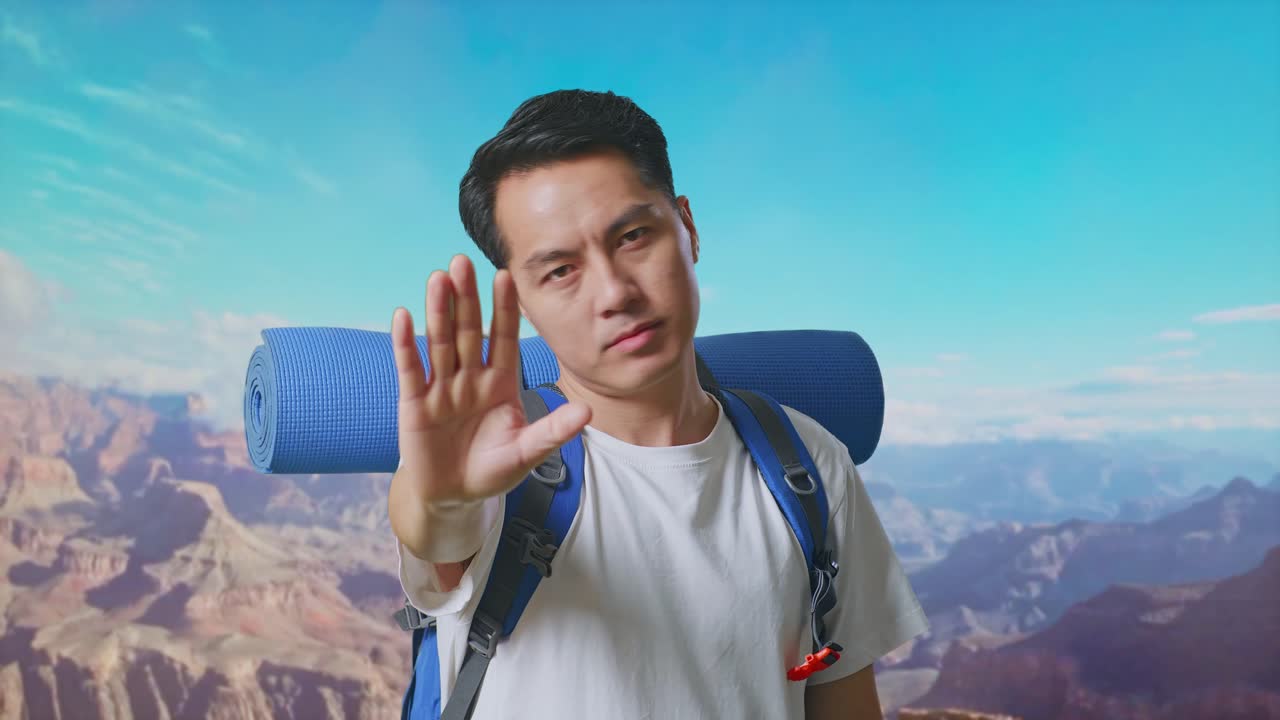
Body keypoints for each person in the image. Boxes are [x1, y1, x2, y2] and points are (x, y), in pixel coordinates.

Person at [387, 89, 928, 719]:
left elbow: (841, 697)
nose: (614, 291)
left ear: (689, 228)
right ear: (522, 301)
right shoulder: (495, 468)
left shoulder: (810, 464)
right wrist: (445, 501)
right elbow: (436, 525)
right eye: (560, 270)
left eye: (634, 236)